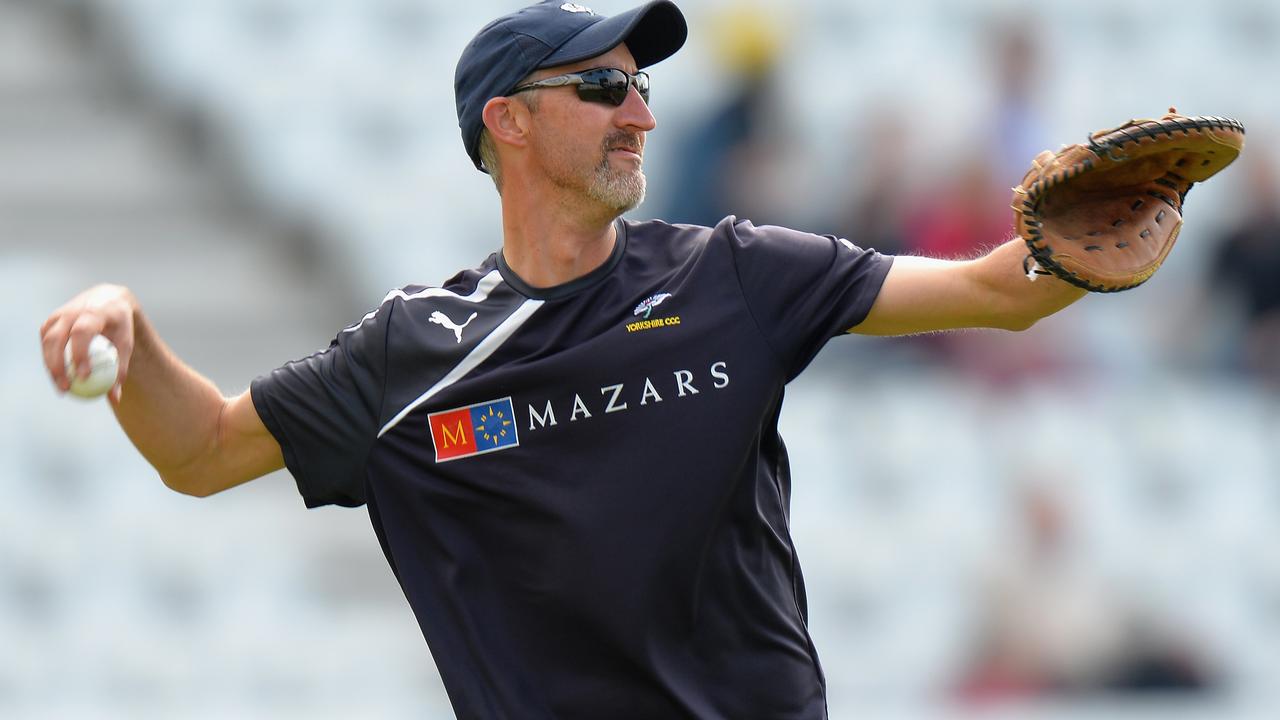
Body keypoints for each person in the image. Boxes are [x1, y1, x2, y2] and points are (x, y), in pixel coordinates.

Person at [40, 1, 1087, 717]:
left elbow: (998, 291)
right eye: (600, 88)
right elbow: (202, 452)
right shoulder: (413, 349)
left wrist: (1082, 237)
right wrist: (130, 327)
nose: (638, 112)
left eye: (638, 87)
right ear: (507, 123)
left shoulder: (735, 274)